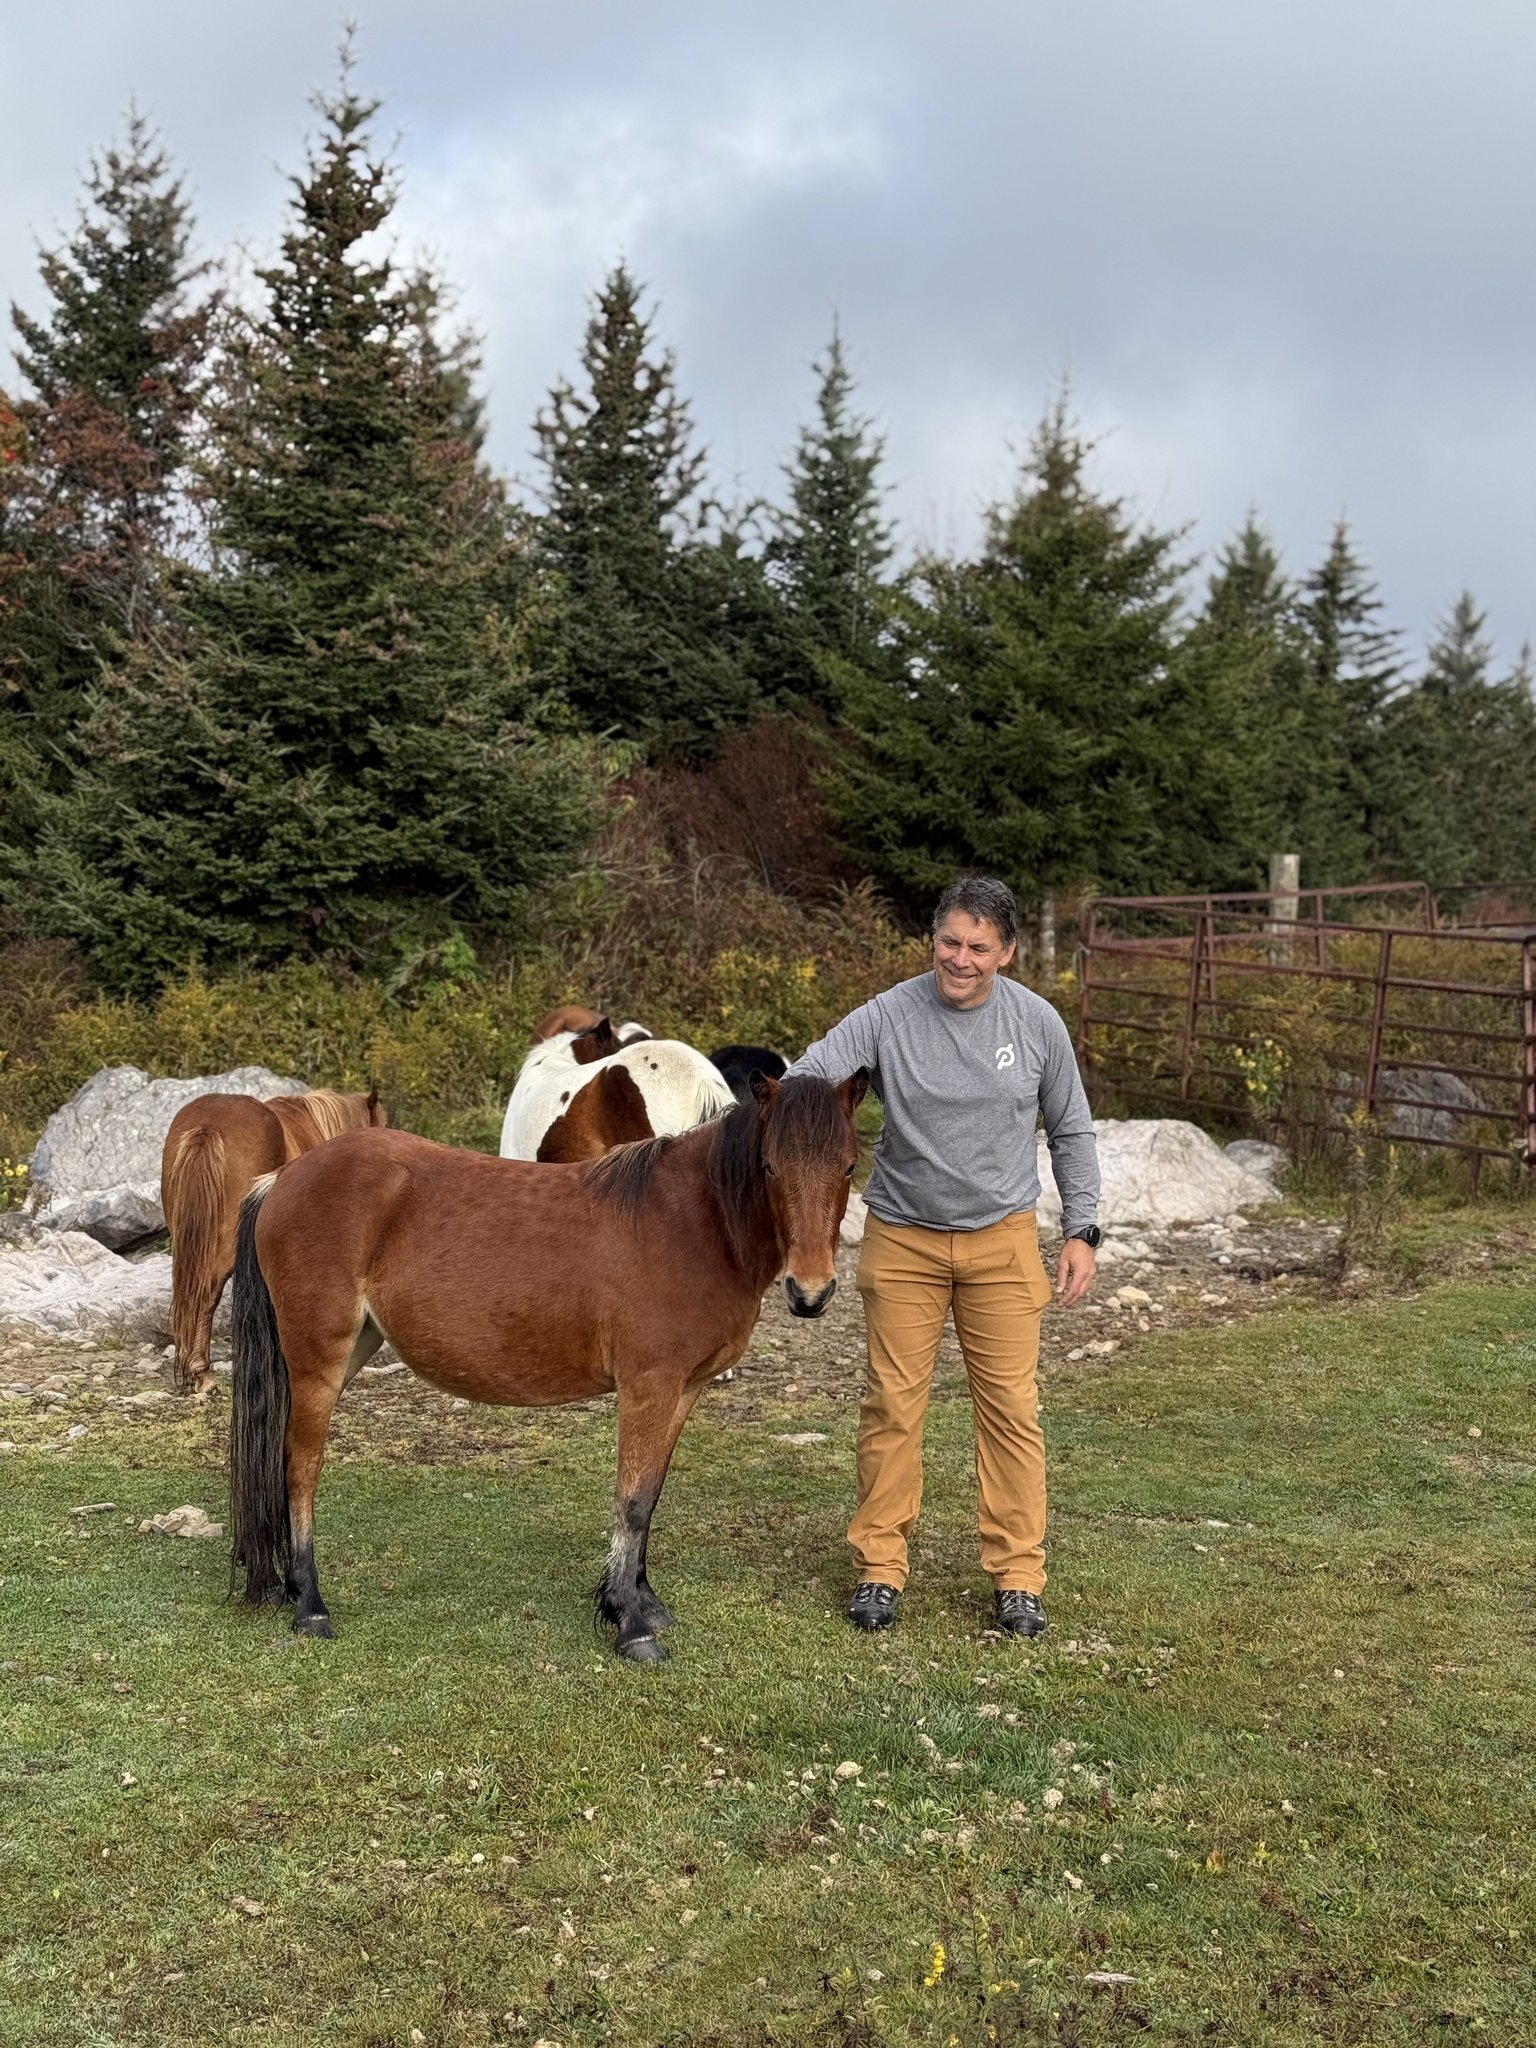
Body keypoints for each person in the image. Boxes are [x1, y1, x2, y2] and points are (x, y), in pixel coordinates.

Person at [787, 876, 1100, 1638]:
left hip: (1003, 1241)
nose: (961, 959)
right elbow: (805, 1079)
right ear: (933, 940)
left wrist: (1083, 1229)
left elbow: (1071, 1127)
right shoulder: (888, 1015)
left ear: (1007, 952)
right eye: (950, 942)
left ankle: (1018, 1576)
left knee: (1012, 1410)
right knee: (892, 1407)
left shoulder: (1036, 1024)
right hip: (903, 1240)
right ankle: (879, 1567)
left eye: (978, 948)